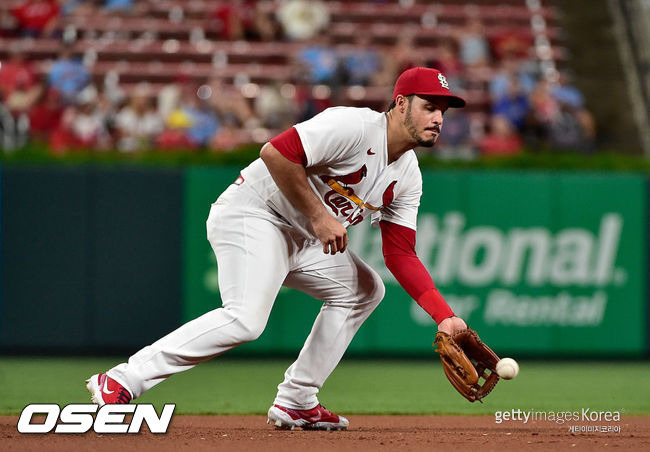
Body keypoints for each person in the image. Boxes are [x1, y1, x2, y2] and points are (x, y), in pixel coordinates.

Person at [86, 67, 469, 430]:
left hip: (301, 237)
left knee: (365, 290)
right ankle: (121, 380)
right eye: (429, 106)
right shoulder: (352, 126)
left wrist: (444, 316)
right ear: (400, 103)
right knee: (245, 320)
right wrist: (320, 218)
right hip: (253, 213)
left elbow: (400, 252)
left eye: (443, 111)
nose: (438, 118)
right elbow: (275, 153)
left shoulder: (408, 175)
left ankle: (298, 399)